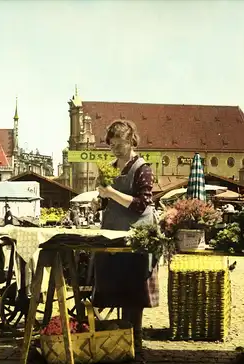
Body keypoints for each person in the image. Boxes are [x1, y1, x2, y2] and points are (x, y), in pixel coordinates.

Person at [93, 119, 158, 356]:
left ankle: (135, 344)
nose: (116, 148)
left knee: (133, 294)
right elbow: (108, 200)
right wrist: (99, 201)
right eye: (112, 144)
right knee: (116, 290)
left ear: (131, 141)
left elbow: (141, 205)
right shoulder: (109, 167)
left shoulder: (142, 168)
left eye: (121, 143)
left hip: (136, 238)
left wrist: (111, 193)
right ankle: (119, 341)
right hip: (114, 235)